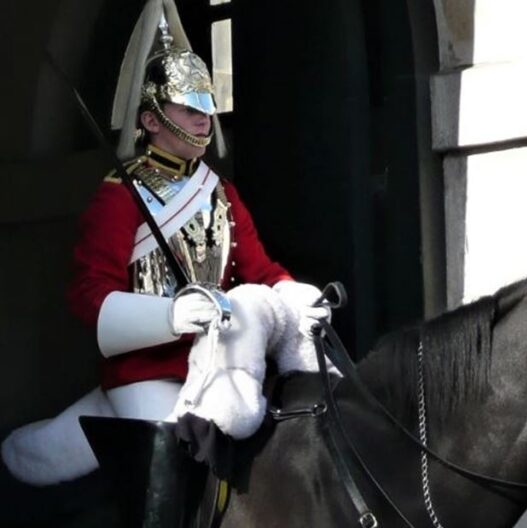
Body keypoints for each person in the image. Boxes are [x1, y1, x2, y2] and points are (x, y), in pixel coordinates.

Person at [1, 0, 330, 522]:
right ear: (152, 119)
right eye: (188, 108)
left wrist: (296, 296)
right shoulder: (119, 196)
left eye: (205, 105)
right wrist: (170, 316)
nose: (203, 117)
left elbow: (259, 272)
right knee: (177, 457)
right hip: (144, 372)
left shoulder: (221, 193)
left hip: (221, 365)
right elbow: (89, 294)